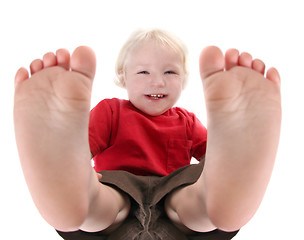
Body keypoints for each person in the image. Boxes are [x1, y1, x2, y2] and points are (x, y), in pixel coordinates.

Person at [14, 29, 281, 240]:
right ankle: (77, 199)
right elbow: (81, 150)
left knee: (192, 193)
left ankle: (213, 204)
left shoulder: (186, 120)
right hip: (119, 194)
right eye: (144, 72)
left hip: (173, 200)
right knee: (105, 201)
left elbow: (213, 159)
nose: (158, 81)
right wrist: (72, 165)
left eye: (170, 72)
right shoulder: (111, 111)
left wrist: (228, 163)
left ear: (183, 79)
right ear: (123, 77)